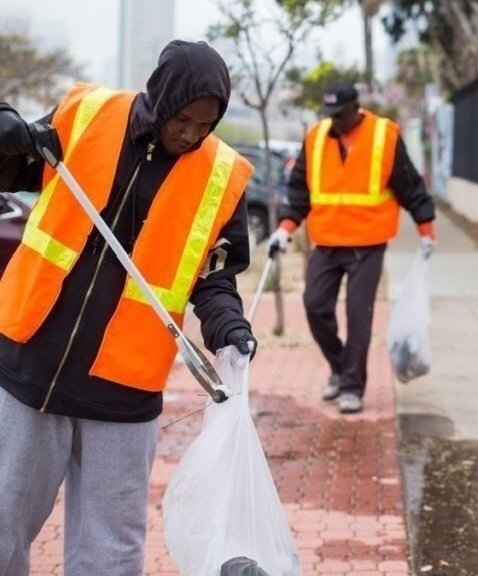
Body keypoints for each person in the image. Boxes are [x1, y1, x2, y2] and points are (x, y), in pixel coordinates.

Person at [0, 40, 257, 576]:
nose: (190, 134)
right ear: (159, 96)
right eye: (182, 118)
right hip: (30, 364)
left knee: (111, 553)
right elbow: (13, 168)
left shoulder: (221, 177)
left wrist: (229, 326)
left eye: (205, 124)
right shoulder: (85, 114)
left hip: (124, 386)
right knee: (2, 529)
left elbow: (213, 279)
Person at [267, 82, 436, 414]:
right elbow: (300, 189)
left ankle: (351, 386)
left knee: (359, 315)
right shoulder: (316, 137)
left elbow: (409, 185)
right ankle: (340, 366)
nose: (333, 120)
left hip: (367, 244)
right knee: (315, 305)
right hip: (326, 242)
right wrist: (285, 229)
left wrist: (426, 229)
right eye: (329, 114)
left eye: (339, 114)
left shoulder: (384, 135)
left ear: (354, 108)